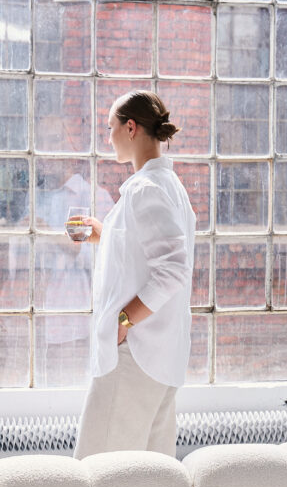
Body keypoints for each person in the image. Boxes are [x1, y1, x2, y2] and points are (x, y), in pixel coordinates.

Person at [72, 90, 195, 459]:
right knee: (148, 477)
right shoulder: (171, 187)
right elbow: (153, 251)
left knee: (95, 473)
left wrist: (124, 321)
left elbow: (173, 269)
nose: (108, 137)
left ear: (130, 128)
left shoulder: (145, 188)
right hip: (161, 357)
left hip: (135, 356)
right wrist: (104, 233)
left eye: (110, 127)